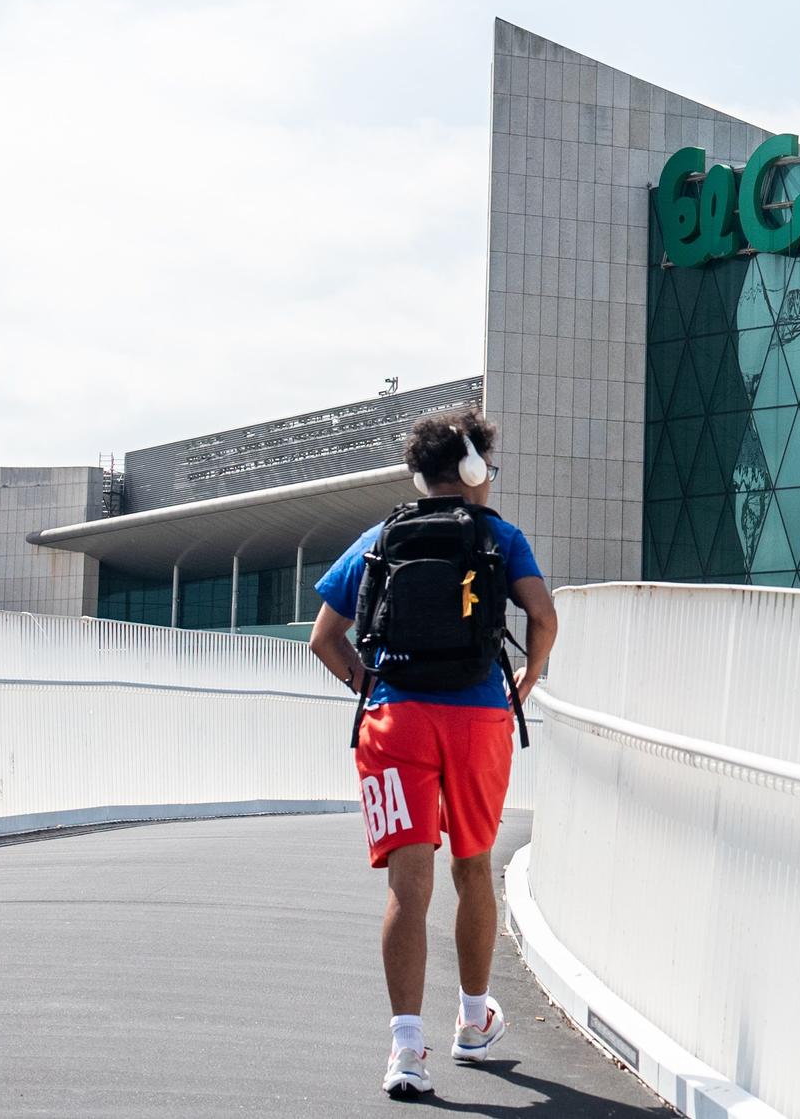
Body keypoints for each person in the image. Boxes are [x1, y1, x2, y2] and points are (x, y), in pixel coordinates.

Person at [308, 410, 558, 1099]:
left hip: (395, 719)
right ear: (477, 470)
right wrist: (528, 678)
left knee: (407, 883)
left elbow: (324, 638)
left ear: (421, 473)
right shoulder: (499, 536)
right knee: (473, 865)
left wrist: (372, 684)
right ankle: (474, 1022)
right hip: (478, 718)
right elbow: (543, 615)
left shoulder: (380, 535)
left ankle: (407, 1050)